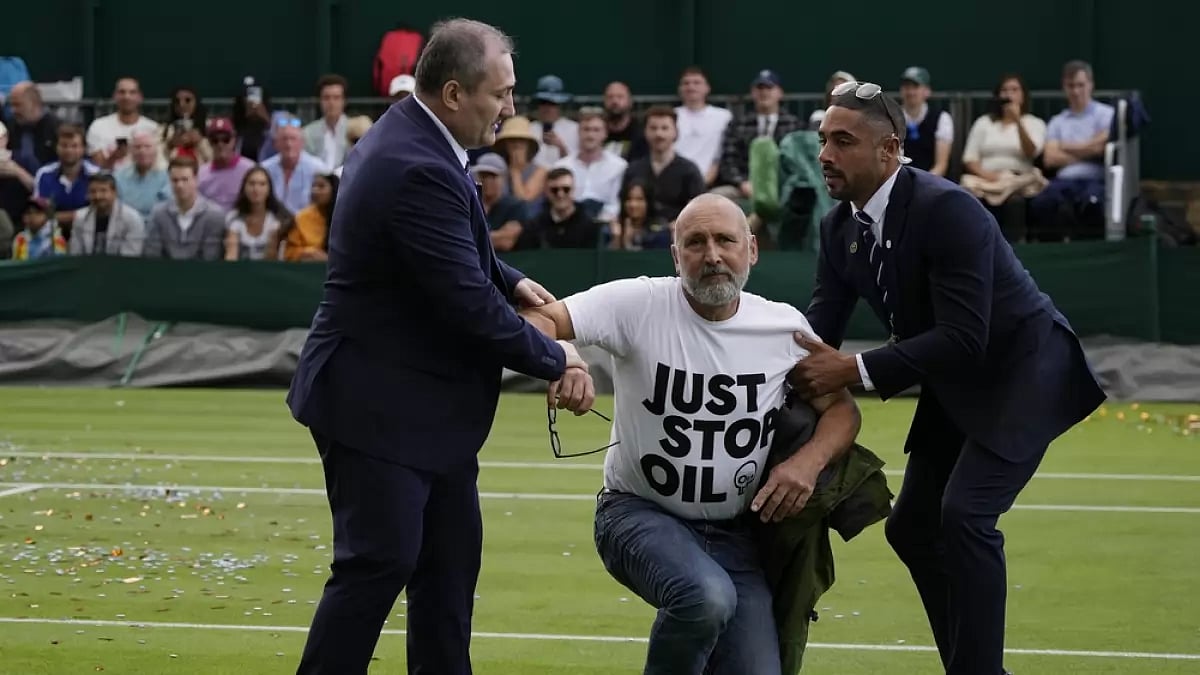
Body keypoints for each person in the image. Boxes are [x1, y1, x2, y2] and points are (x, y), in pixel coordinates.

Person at [285, 18, 592, 675]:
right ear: (454, 93)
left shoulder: (414, 135)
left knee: (448, 570)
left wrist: (512, 279)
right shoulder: (416, 164)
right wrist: (557, 358)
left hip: (420, 410)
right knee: (378, 564)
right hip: (376, 406)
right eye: (501, 94)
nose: (511, 107)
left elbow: (448, 249)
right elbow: (466, 304)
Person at [792, 80, 1107, 675]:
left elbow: (965, 337)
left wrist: (853, 370)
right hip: (955, 382)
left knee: (965, 516)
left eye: (843, 141)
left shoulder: (947, 208)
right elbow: (815, 332)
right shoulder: (838, 230)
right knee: (913, 529)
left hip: (1023, 373)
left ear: (889, 149)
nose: (826, 155)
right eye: (823, 140)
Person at [521, 194, 862, 675]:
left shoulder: (783, 328)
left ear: (752, 249)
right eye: (696, 243)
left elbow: (841, 409)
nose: (713, 255)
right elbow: (538, 318)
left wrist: (806, 464)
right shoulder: (638, 303)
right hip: (636, 513)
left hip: (736, 534)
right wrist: (567, 359)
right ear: (675, 255)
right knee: (705, 597)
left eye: (726, 240)